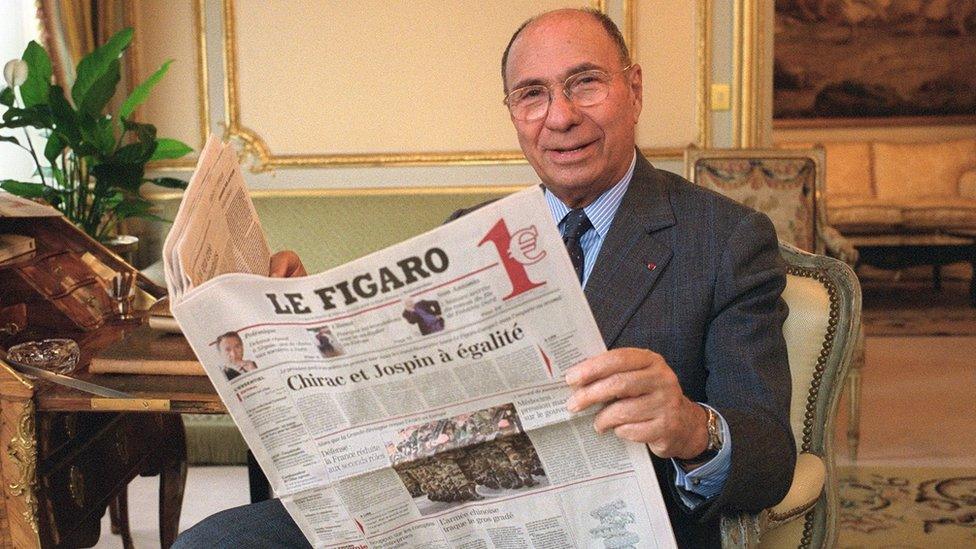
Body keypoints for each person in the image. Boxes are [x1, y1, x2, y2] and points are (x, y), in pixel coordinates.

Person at [175, 8, 793, 548]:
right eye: (532, 94)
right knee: (217, 538)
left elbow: (771, 458)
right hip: (444, 514)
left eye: (585, 84)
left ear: (633, 89)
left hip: (610, 526)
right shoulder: (468, 235)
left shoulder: (726, 240)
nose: (560, 116)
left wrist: (691, 425)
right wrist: (298, 324)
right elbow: (394, 392)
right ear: (513, 113)